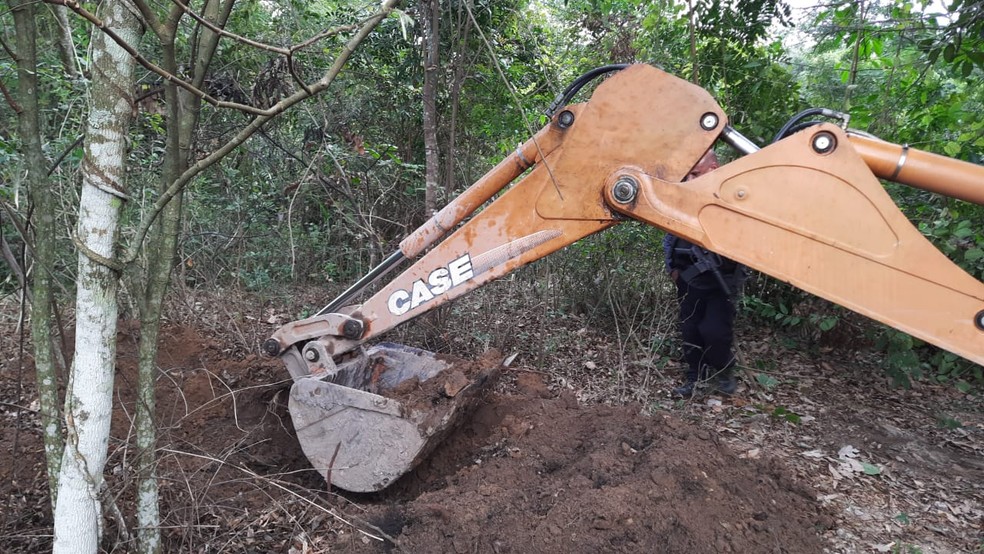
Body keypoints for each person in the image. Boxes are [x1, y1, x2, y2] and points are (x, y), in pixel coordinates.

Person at [663, 150, 745, 398]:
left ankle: (724, 370)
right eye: (688, 175)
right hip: (688, 280)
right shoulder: (684, 199)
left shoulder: (731, 199)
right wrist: (673, 269)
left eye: (696, 174)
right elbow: (669, 235)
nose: (691, 180)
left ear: (713, 168)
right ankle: (693, 377)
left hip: (721, 283)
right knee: (690, 330)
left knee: (715, 331)